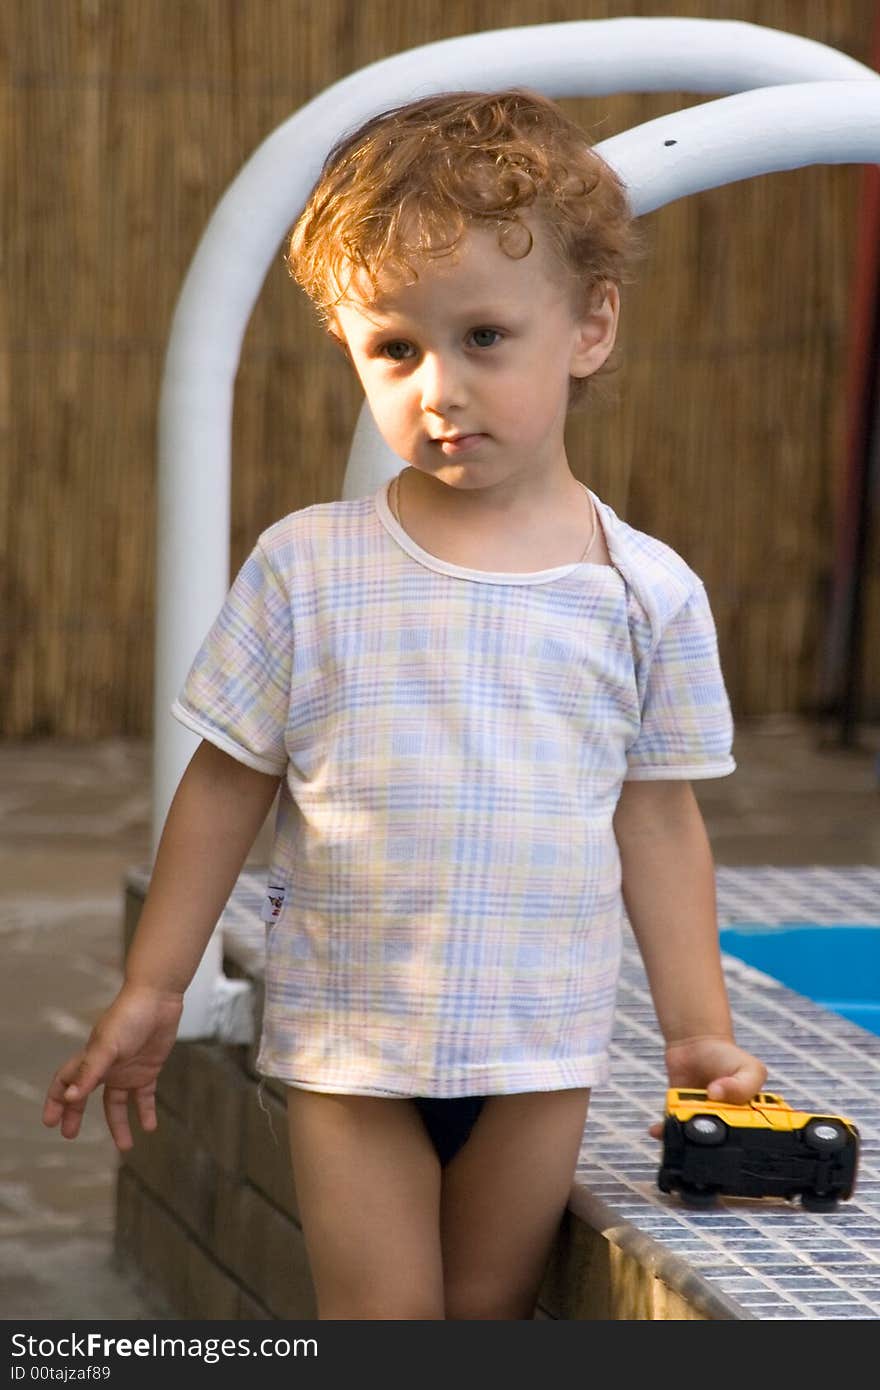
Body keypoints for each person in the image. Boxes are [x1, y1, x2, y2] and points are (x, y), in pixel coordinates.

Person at [43, 88, 767, 1320]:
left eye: (483, 337)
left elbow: (656, 821)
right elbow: (227, 783)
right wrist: (157, 985)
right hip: (352, 1051)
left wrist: (697, 1028)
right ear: (349, 346)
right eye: (395, 348)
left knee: (481, 1324)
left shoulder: (642, 591)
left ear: (588, 327)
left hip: (540, 1052)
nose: (437, 387)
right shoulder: (307, 567)